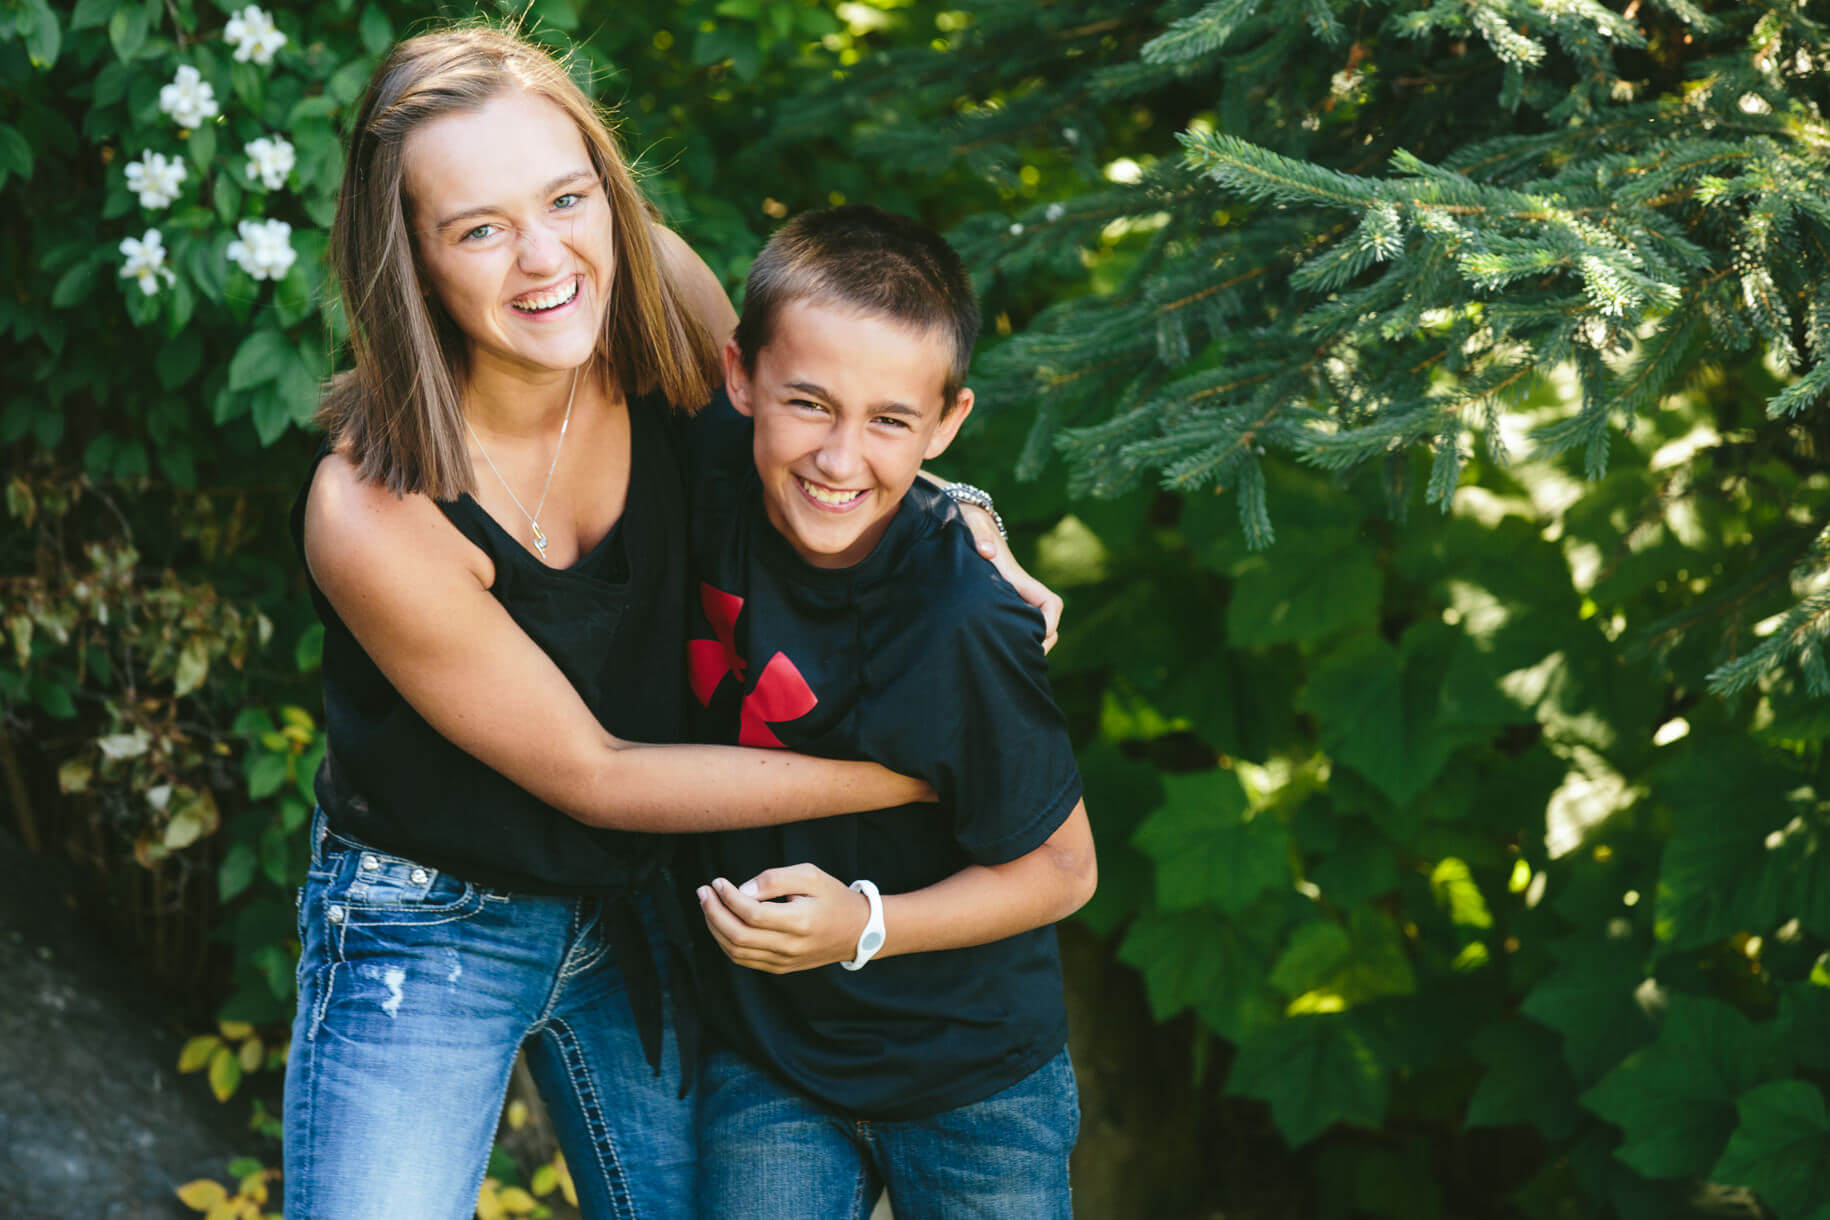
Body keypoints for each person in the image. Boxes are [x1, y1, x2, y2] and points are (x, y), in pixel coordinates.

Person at [286, 28, 1056, 1220]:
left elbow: (816, 423)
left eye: (567, 197)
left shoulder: (655, 298)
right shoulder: (374, 509)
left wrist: (961, 517)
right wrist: (908, 777)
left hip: (655, 898)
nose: (548, 257)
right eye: (479, 228)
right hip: (436, 924)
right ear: (411, 263)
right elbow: (596, 773)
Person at [685, 206, 1097, 1220]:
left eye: (888, 421)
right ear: (740, 379)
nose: (838, 456)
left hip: (974, 1078)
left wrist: (862, 923)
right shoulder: (701, 483)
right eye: (809, 403)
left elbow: (1063, 869)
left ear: (947, 422)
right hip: (771, 1057)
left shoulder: (965, 616)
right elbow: (617, 227)